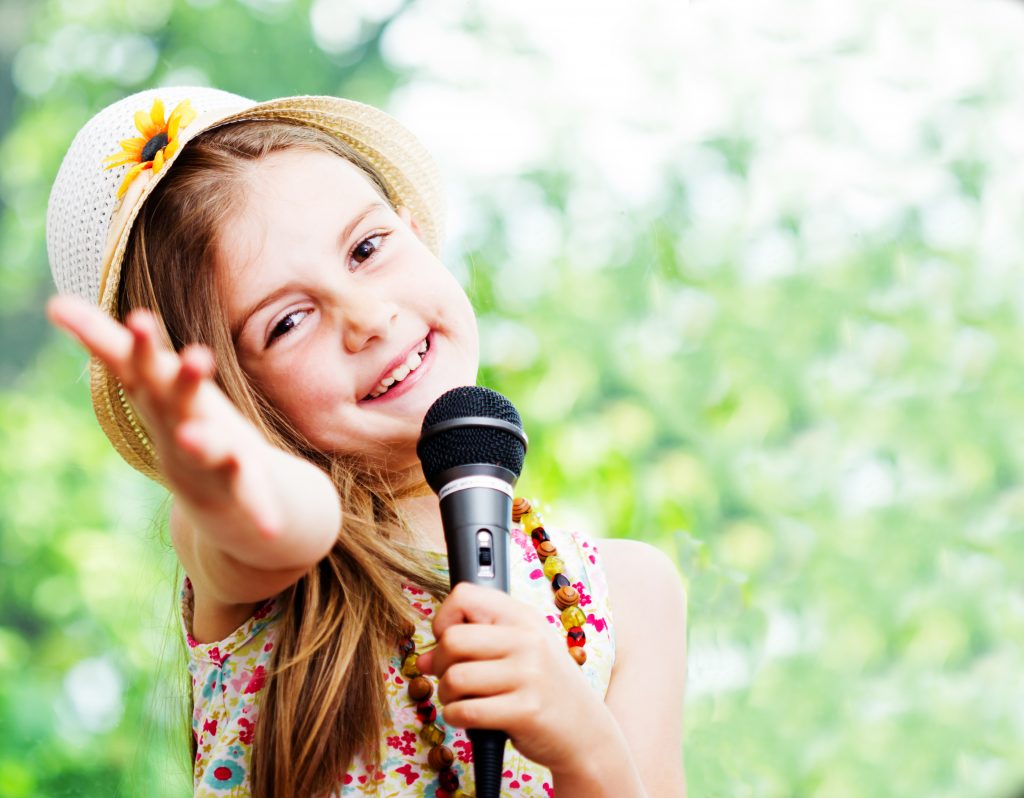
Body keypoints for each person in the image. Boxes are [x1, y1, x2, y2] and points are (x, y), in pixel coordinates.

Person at [45, 87, 687, 797]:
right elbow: (287, 521)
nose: (367, 317)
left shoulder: (633, 593)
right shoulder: (247, 556)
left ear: (413, 231)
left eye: (367, 248)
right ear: (236, 399)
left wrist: (586, 748)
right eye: (286, 322)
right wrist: (227, 477)